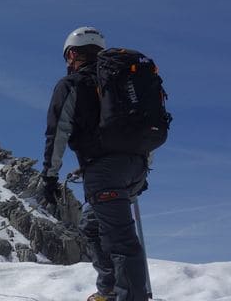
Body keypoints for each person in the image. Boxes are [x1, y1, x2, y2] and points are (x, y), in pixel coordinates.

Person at [41, 27, 150, 301]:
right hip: (135, 166)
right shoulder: (123, 82)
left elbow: (58, 134)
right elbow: (143, 127)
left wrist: (50, 178)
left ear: (73, 54)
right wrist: (140, 167)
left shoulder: (73, 84)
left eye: (68, 56)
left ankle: (128, 297)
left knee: (120, 241)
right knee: (92, 226)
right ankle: (110, 291)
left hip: (104, 173)